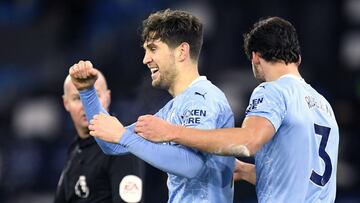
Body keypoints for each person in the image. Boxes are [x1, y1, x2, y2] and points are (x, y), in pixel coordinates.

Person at [135, 16, 340, 202]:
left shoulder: (272, 91)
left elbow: (248, 142)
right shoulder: (323, 105)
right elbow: (301, 177)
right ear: (298, 58)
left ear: (256, 58)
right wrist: (244, 170)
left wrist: (172, 131)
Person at [69, 9, 235, 203]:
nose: (145, 59)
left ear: (182, 51)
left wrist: (123, 136)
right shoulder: (173, 108)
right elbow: (111, 145)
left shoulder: (202, 99)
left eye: (153, 48)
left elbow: (192, 166)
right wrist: (87, 92)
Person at [54, 73, 144, 203]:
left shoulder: (121, 146)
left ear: (108, 97)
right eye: (77, 98)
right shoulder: (75, 150)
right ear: (66, 103)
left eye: (94, 96)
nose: (85, 105)